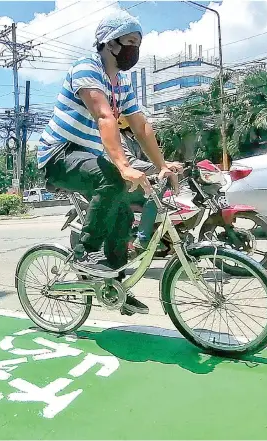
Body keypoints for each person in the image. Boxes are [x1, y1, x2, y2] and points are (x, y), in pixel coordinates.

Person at [36, 10, 177, 315]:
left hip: (88, 157)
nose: (134, 50)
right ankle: (84, 252)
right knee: (114, 178)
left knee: (123, 216)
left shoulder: (121, 83)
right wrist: (124, 166)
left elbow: (140, 126)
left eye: (137, 43)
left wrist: (162, 165)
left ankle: (115, 287)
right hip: (58, 154)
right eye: (129, 41)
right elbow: (104, 116)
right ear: (108, 43)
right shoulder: (86, 69)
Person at [109, 117, 183, 255]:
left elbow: (148, 160)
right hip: (121, 186)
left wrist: (168, 165)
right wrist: (163, 167)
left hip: (131, 183)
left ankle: (157, 233)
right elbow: (131, 163)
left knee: (162, 191)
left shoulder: (133, 140)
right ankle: (142, 238)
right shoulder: (118, 137)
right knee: (156, 190)